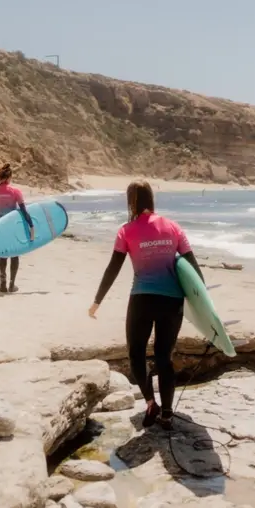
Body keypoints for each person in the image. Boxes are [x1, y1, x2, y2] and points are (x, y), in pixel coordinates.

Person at [88, 180, 205, 429]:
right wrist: (205, 307)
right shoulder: (173, 227)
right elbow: (193, 269)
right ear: (151, 199)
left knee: (136, 354)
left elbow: (113, 268)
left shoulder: (126, 230)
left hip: (142, 299)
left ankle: (150, 401)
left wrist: (98, 300)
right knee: (164, 358)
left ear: (131, 201)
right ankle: (167, 414)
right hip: (172, 302)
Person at [0, 163, 34, 293]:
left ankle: (2, 283)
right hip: (13, 226)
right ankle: (11, 285)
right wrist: (31, 225)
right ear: (9, 177)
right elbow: (24, 211)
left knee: (3, 254)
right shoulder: (15, 191)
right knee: (14, 253)